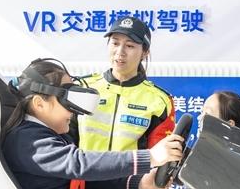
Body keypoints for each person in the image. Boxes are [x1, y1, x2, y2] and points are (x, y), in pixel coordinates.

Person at [2, 58, 183, 189]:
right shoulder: (28, 141)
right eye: (66, 100)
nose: (72, 110)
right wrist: (150, 157)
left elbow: (82, 180)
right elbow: (79, 164)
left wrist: (140, 183)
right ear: (39, 104)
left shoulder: (50, 135)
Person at [71, 16, 175, 152]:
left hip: (135, 167)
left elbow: (160, 155)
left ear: (144, 53)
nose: (120, 52)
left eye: (130, 46)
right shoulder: (82, 87)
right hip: (82, 166)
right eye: (115, 43)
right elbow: (63, 143)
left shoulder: (159, 101)